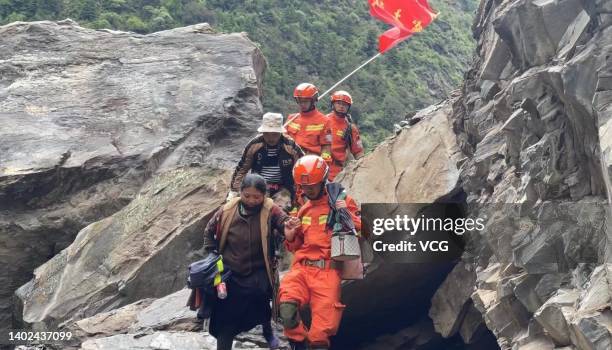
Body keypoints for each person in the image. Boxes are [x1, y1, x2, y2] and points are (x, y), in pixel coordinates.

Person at [278, 155, 362, 350]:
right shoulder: (303, 210)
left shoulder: (342, 201)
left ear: (323, 180)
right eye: (304, 186)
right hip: (301, 270)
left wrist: (343, 214)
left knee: (320, 336)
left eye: (312, 186)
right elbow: (296, 245)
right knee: (287, 310)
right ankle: (299, 343)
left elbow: (360, 229)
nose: (307, 190)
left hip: (327, 273)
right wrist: (290, 236)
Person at [203, 174, 289, 350]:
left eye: (257, 197)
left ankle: (267, 332)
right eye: (246, 196)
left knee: (262, 306)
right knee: (226, 317)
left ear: (264, 195)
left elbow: (283, 223)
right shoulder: (227, 210)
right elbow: (209, 230)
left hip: (259, 272)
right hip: (230, 273)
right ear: (240, 193)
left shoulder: (270, 210)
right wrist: (212, 253)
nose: (251, 200)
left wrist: (290, 225)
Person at [228, 112, 304, 210]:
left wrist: (301, 192)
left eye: (274, 134)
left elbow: (302, 168)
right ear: (262, 132)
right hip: (258, 185)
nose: (270, 138)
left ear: (280, 132)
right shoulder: (254, 145)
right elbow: (242, 168)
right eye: (267, 134)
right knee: (252, 205)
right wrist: (234, 191)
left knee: (282, 208)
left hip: (283, 187)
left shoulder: (290, 146)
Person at [285, 83, 333, 164]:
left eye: (305, 101)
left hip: (310, 164)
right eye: (299, 101)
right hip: (288, 163)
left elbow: (326, 148)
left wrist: (324, 163)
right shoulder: (291, 119)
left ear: (313, 100)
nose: (302, 104)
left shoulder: (324, 121)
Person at [326, 90, 364, 181]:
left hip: (338, 173)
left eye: (345, 104)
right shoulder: (323, 121)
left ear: (348, 107)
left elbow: (358, 152)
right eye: (339, 103)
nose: (341, 106)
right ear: (333, 104)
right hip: (321, 167)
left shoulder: (351, 128)